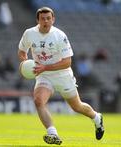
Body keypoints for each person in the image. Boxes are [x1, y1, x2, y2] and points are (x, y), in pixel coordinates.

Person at [18, 7, 104, 145]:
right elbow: (22, 51)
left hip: (62, 75)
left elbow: (67, 62)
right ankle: (52, 133)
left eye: (48, 18)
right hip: (43, 75)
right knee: (38, 101)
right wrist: (25, 63)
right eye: (42, 19)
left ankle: (96, 117)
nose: (46, 21)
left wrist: (44, 66)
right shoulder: (29, 33)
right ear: (37, 20)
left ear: (53, 19)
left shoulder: (59, 35)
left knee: (77, 106)